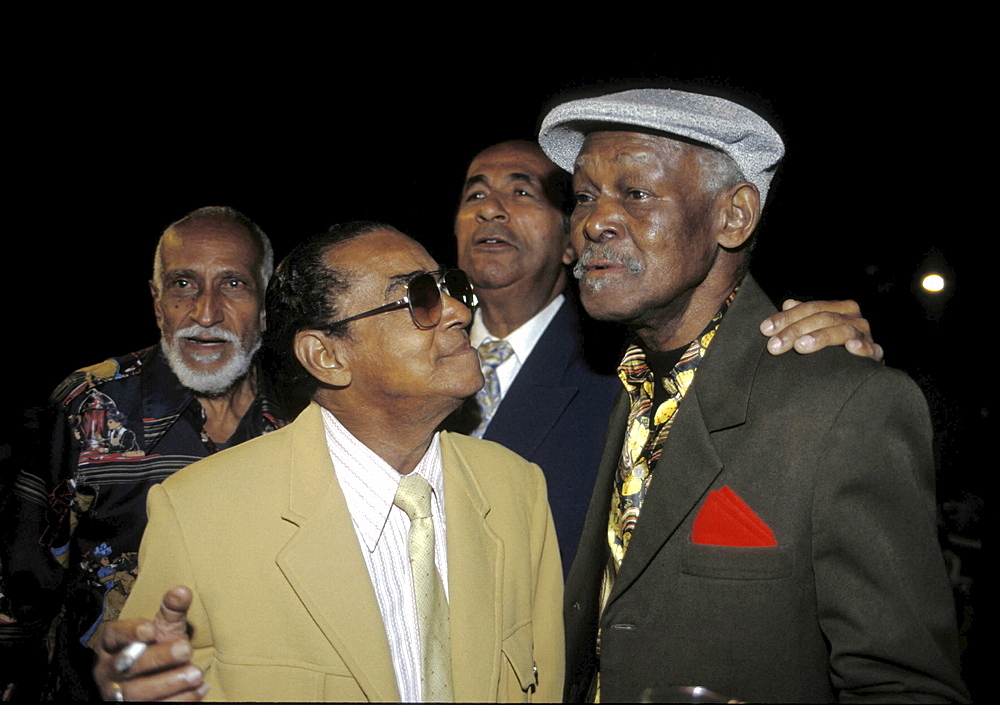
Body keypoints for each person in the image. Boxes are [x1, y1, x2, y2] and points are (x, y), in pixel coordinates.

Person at [537, 88, 968, 702]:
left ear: (734, 216)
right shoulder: (625, 392)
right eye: (582, 195)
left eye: (634, 193)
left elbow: (905, 686)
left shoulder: (843, 405)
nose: (593, 220)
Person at [90, 222, 564, 702]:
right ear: (327, 356)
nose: (460, 311)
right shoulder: (198, 513)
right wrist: (131, 681)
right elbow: (147, 674)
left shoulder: (515, 489)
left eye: (451, 287)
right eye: (420, 298)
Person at [450, 140, 884, 573]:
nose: (490, 209)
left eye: (522, 192)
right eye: (475, 194)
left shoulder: (632, 366)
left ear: (568, 241)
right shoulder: (401, 361)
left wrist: (832, 374)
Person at [0, 206, 286, 700]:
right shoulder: (87, 407)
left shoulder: (305, 417)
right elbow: (21, 600)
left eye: (233, 285)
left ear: (265, 307)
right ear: (157, 304)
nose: (206, 313)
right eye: (183, 285)